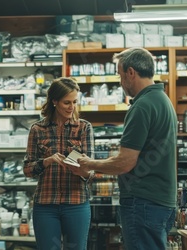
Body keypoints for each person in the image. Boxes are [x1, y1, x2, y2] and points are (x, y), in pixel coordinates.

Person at [70, 48, 178, 250]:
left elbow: (125, 163)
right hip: (161, 201)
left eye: (120, 75)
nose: (120, 82)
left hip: (143, 201)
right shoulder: (163, 101)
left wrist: (88, 163)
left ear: (131, 72)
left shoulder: (142, 106)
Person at [23, 77, 95, 250]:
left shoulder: (84, 128)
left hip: (76, 203)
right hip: (46, 205)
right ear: (54, 101)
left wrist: (80, 170)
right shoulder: (37, 129)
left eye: (75, 102)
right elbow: (27, 169)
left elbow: (91, 172)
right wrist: (46, 161)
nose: (72, 107)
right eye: (66, 102)